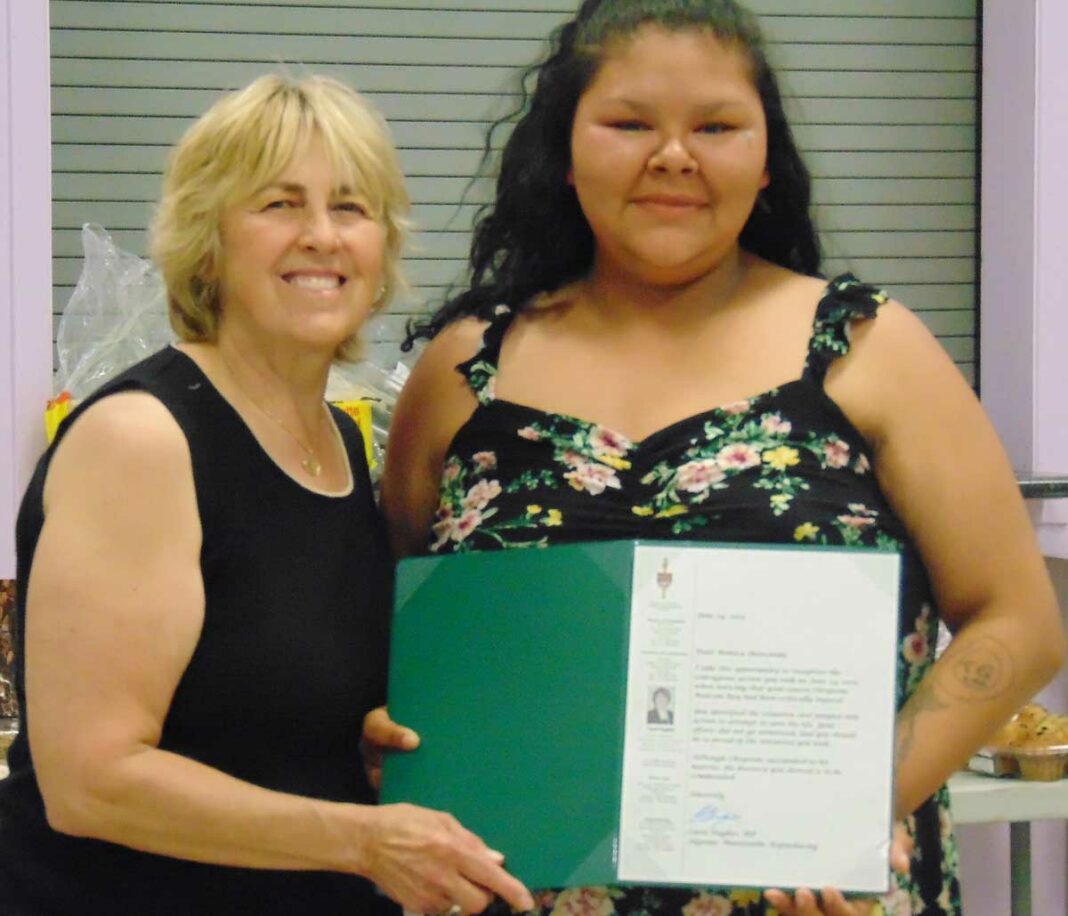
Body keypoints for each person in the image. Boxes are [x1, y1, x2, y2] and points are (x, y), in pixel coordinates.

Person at [373, 1, 1066, 914]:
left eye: (716, 126)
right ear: (565, 151)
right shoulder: (466, 370)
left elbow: (1018, 622)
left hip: (810, 896)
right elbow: (403, 631)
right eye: (629, 124)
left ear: (766, 157)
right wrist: (387, 730)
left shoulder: (869, 349)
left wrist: (860, 805)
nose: (674, 156)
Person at [0, 74, 533, 916]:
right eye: (280, 205)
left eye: (351, 208)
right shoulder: (143, 440)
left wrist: (361, 748)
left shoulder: (343, 444)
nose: (321, 236)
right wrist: (364, 840)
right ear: (207, 239)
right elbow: (90, 782)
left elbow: (266, 710)